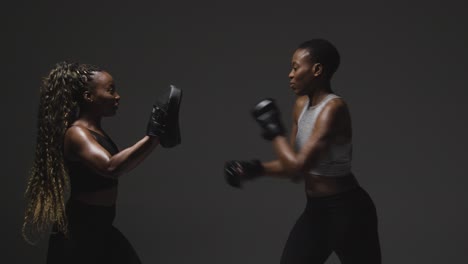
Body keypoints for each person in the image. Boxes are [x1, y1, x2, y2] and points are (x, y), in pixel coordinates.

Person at [224, 39, 381, 264]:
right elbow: (294, 168)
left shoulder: (334, 108)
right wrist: (254, 169)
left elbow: (299, 166)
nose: (290, 74)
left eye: (296, 67)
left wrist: (273, 130)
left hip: (349, 211)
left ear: (316, 70)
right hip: (317, 211)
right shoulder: (300, 105)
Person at [22, 61, 182, 264]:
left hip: (101, 228)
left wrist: (156, 137)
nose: (117, 96)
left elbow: (122, 165)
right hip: (78, 233)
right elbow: (111, 167)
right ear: (89, 97)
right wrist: (154, 134)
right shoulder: (77, 133)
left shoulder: (95, 133)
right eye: (110, 90)